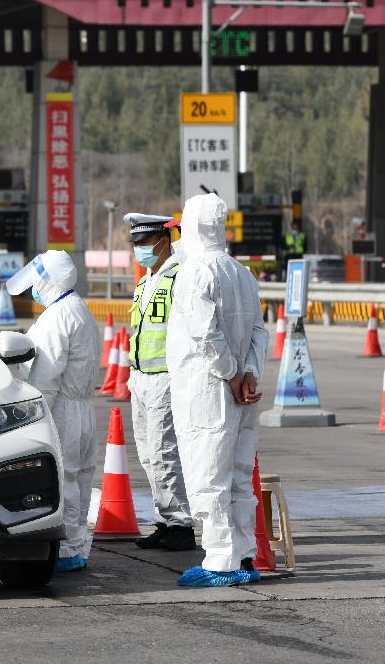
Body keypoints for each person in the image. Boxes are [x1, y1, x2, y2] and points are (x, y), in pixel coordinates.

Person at [165, 194, 267, 588]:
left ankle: (220, 561)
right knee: (239, 476)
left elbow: (205, 334)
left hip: (207, 389)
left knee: (209, 475)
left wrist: (231, 375)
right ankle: (243, 556)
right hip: (242, 393)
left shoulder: (195, 273)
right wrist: (249, 373)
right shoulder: (242, 273)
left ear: (192, 226)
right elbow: (258, 331)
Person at [5, 250, 100, 572]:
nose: (34, 288)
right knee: (80, 478)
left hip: (61, 410)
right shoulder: (77, 308)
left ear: (47, 281)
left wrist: (31, 419)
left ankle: (68, 550)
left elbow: (45, 378)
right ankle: (76, 546)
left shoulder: (58, 316)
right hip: (82, 409)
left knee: (65, 479)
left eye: (37, 281)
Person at [122, 212, 195, 552]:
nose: (139, 249)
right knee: (148, 455)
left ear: (164, 241)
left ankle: (181, 524)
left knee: (165, 454)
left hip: (165, 377)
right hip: (140, 378)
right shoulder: (145, 282)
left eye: (145, 242)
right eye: (135, 243)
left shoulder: (179, 277)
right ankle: (164, 520)